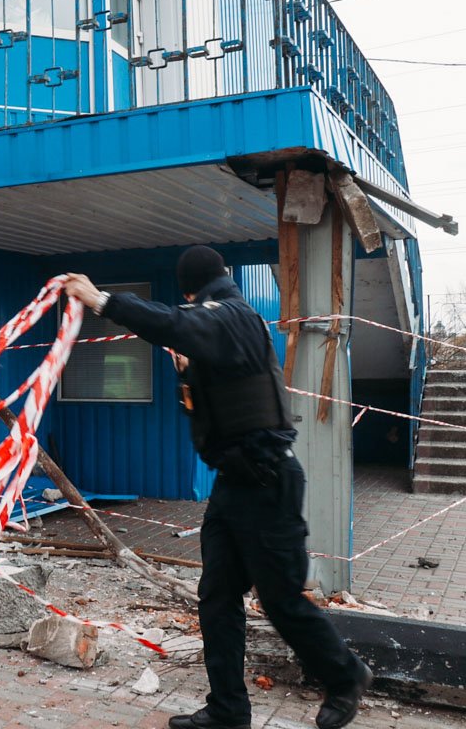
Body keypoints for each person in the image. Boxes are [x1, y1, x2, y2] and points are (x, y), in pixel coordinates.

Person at [64, 246, 371, 729]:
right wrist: (189, 379)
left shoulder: (234, 315)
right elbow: (212, 410)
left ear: (191, 289)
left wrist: (101, 300)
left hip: (268, 481)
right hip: (234, 485)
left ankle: (345, 676)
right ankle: (228, 709)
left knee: (280, 598)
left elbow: (178, 324)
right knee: (217, 597)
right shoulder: (221, 332)